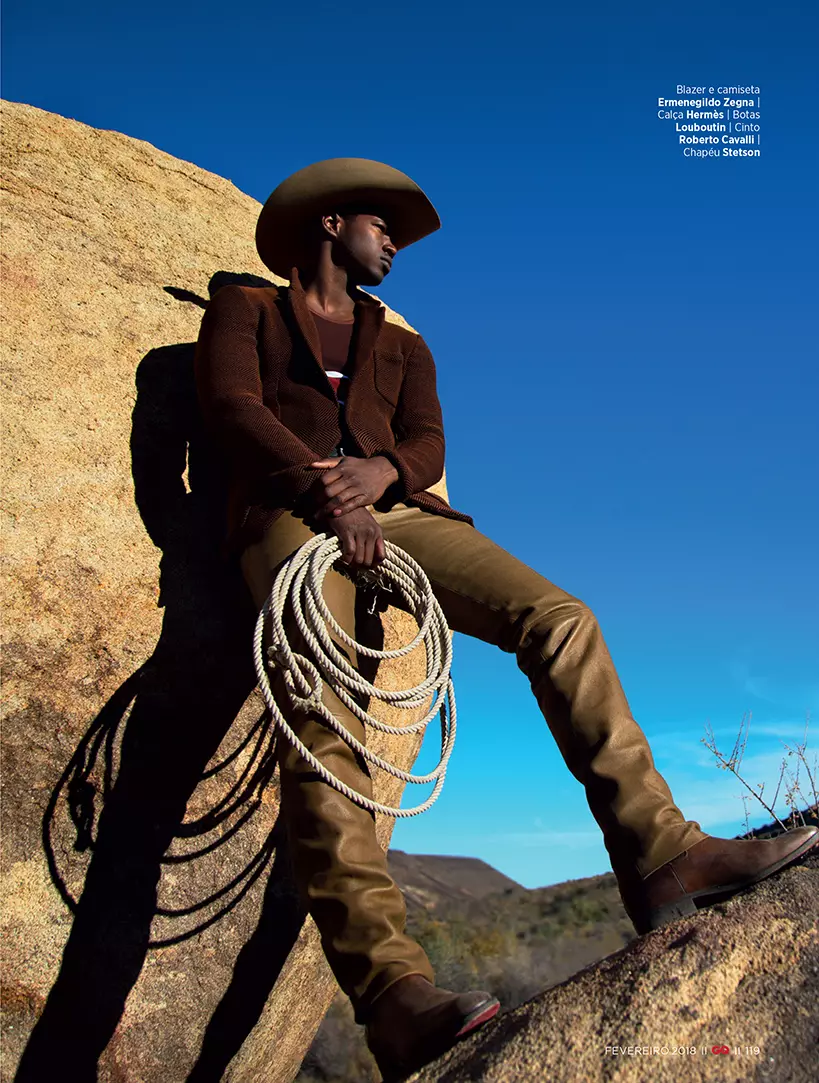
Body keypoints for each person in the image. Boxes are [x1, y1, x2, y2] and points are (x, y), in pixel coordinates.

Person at [194, 158, 818, 1081]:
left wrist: (383, 477)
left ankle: (663, 856)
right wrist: (327, 489)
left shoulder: (401, 343)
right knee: (324, 719)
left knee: (559, 616)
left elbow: (427, 442)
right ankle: (393, 994)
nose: (395, 242)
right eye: (382, 225)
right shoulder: (245, 310)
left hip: (406, 516)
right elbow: (232, 406)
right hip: (291, 517)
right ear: (329, 224)